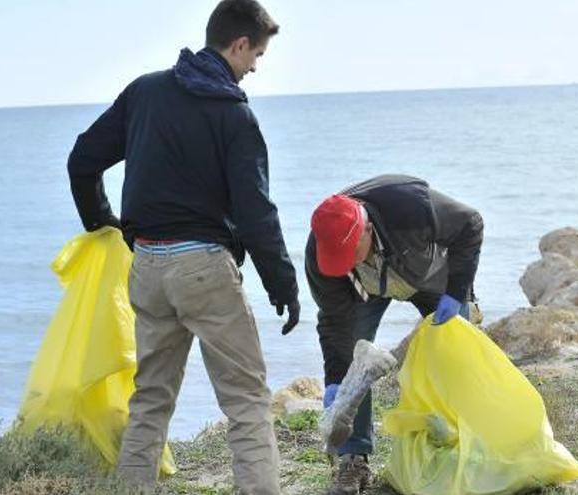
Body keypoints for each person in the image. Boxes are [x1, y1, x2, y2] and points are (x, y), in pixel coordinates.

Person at [66, 1, 298, 492]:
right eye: (255, 54)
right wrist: (283, 284)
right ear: (238, 45)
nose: (254, 67)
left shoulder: (145, 92)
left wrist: (103, 223)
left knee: (149, 399)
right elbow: (257, 212)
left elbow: (82, 160)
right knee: (246, 402)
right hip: (205, 270)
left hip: (147, 265)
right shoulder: (235, 116)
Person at [306, 174, 484, 495]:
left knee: (458, 351)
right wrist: (336, 380)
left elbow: (470, 225)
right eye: (336, 259)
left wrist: (457, 293)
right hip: (366, 288)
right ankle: (353, 460)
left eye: (348, 254)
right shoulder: (321, 253)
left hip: (427, 274)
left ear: (367, 230)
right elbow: (334, 322)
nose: (342, 262)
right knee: (350, 366)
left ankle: (468, 442)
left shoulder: (410, 206)